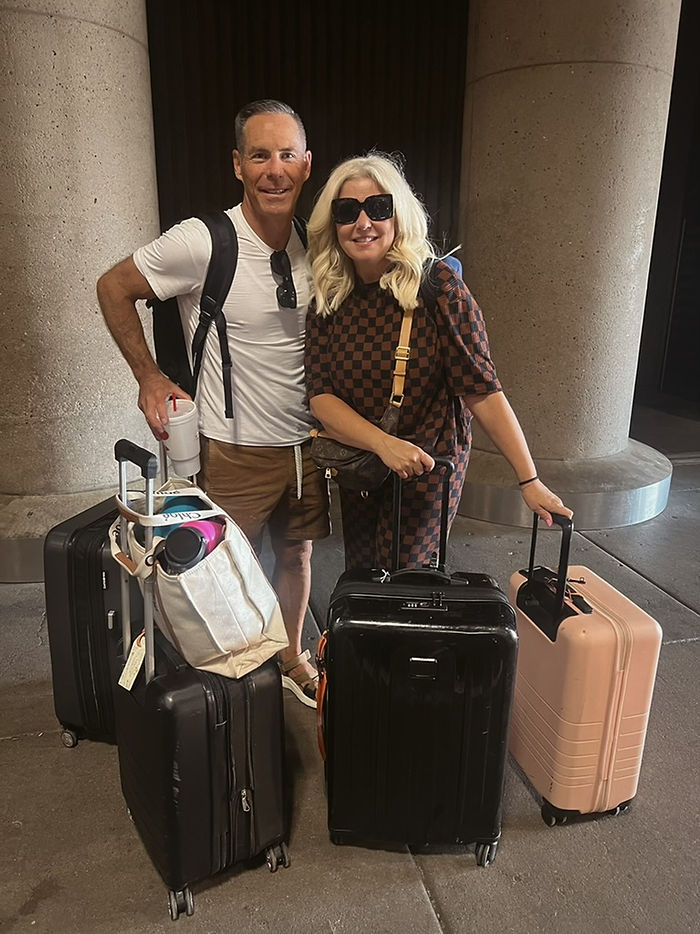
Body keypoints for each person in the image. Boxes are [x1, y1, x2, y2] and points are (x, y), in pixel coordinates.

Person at [97, 99, 329, 707]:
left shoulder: (314, 245)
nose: (273, 170)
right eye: (259, 155)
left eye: (286, 155)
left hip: (305, 448)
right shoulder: (204, 240)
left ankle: (289, 657)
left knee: (297, 557)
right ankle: (227, 687)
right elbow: (113, 287)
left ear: (307, 166)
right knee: (215, 575)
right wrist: (148, 375)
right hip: (231, 452)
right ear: (237, 165)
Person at [304, 151, 572, 570]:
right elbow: (320, 398)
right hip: (360, 462)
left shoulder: (437, 288)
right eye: (347, 211)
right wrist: (383, 444)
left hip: (428, 468)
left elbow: (481, 389)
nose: (363, 223)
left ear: (399, 216)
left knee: (404, 577)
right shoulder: (330, 297)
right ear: (331, 222)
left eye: (378, 208)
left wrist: (529, 479)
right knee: (361, 572)